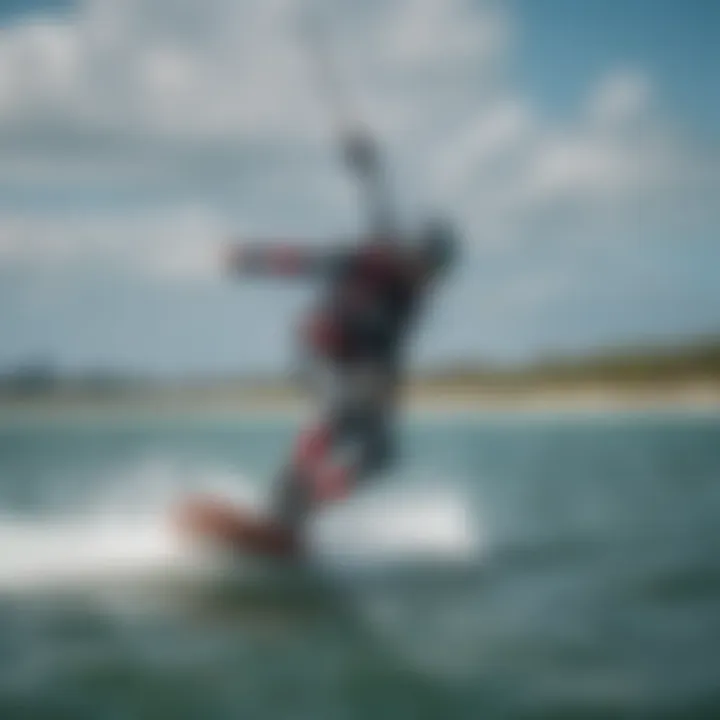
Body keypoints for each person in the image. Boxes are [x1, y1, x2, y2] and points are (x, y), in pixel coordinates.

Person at [224, 134, 458, 543]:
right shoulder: (371, 261)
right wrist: (249, 259)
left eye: (434, 273)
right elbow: (313, 255)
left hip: (363, 372)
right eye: (426, 266)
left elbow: (388, 361)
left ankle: (308, 507)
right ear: (415, 253)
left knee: (383, 453)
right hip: (321, 354)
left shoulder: (413, 299)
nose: (427, 279)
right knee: (336, 409)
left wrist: (385, 402)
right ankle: (290, 492)